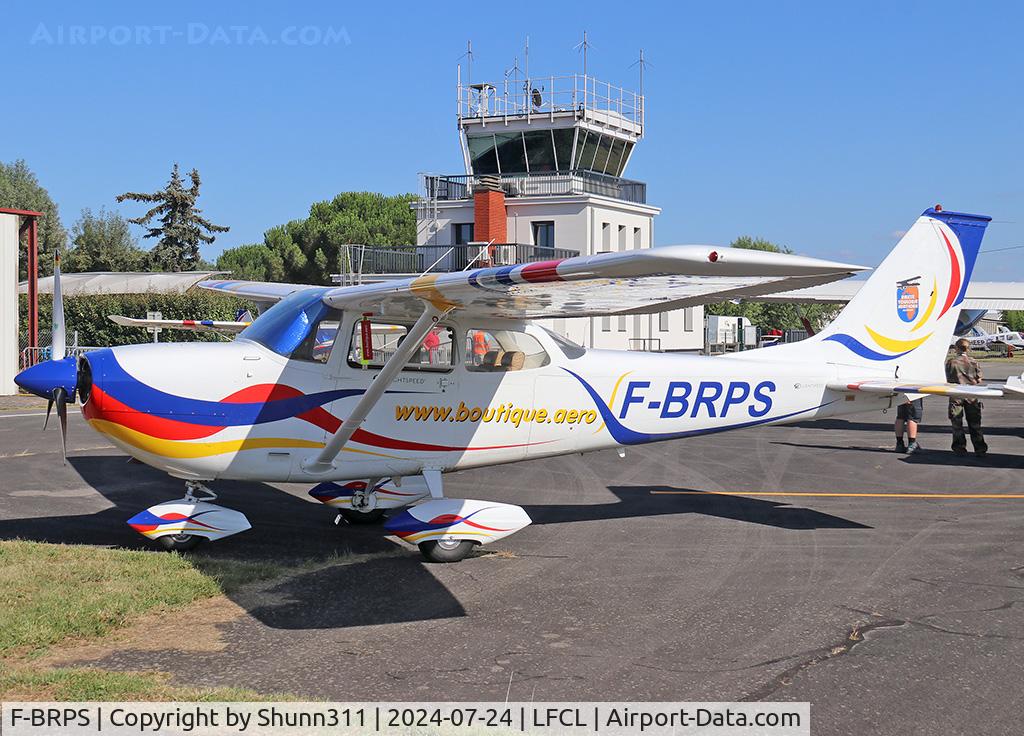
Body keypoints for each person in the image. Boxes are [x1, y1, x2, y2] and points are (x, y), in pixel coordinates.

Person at [945, 338, 988, 457]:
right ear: (968, 349)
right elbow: (979, 379)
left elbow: (947, 378)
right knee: (975, 423)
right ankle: (980, 448)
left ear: (956, 348)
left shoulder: (951, 362)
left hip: (956, 394)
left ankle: (959, 447)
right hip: (971, 394)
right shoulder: (973, 362)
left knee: (957, 423)